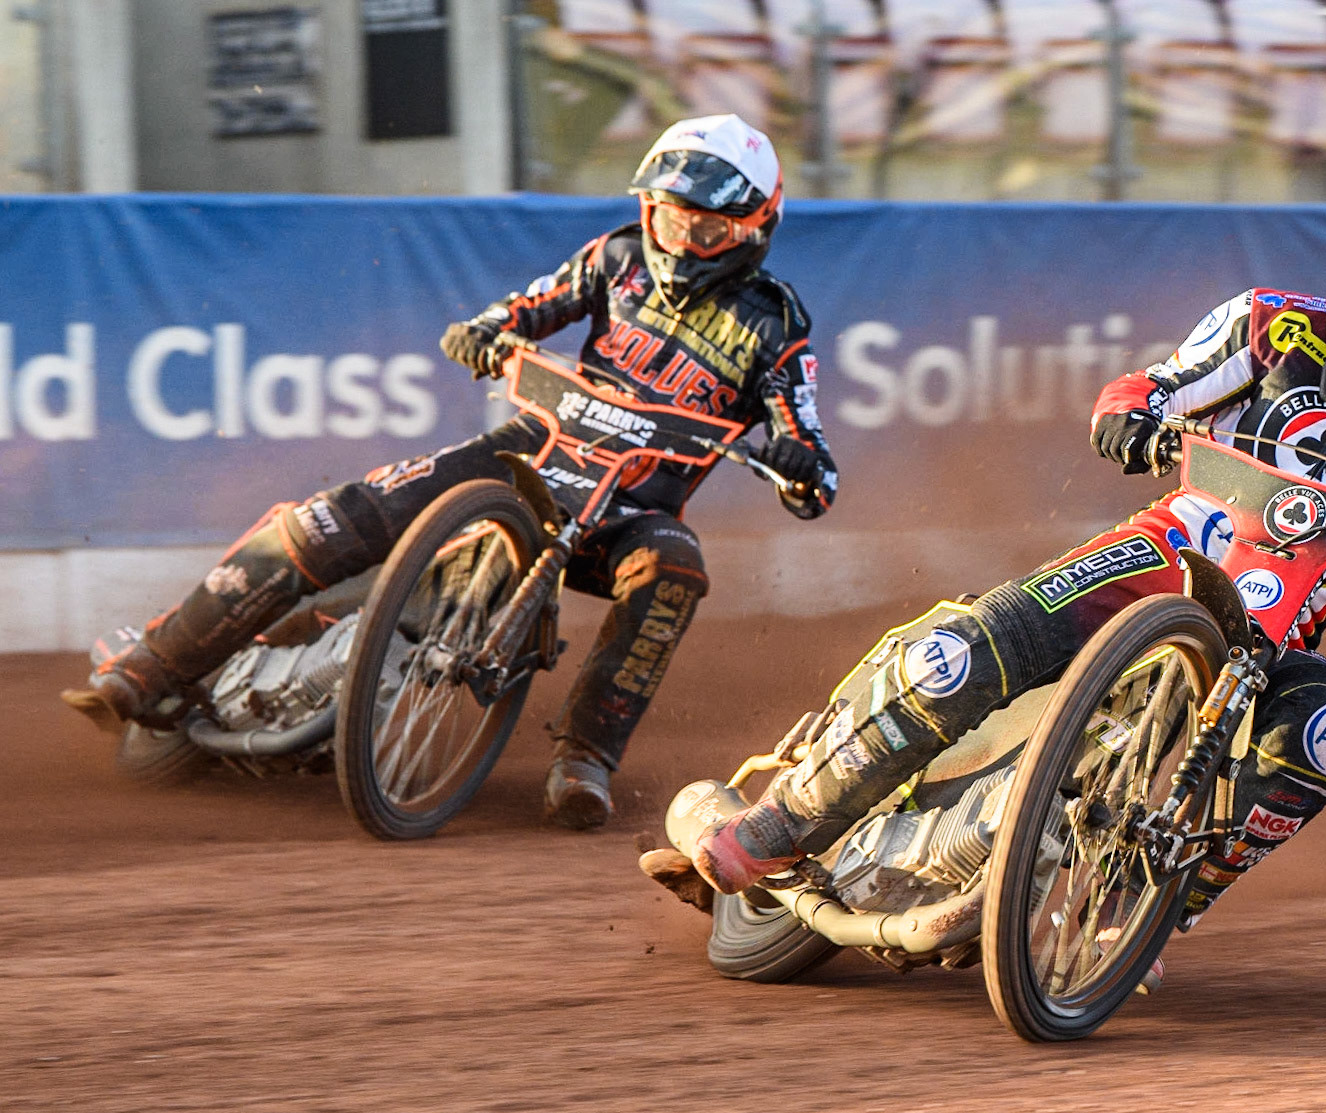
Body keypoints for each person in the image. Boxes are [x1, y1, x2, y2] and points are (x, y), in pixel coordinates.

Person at [685, 160, 1326, 933]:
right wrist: (1133, 418)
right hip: (1160, 552)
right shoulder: (1266, 323)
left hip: (1277, 640)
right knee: (954, 659)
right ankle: (778, 825)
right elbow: (1152, 387)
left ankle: (1152, 906)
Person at [63, 114, 838, 831]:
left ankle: (585, 757)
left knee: (676, 563)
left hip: (628, 510)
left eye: (704, 225)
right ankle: (153, 663)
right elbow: (527, 308)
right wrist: (485, 330)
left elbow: (812, 462)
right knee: (331, 518)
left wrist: (796, 461)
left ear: (752, 226)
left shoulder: (775, 322)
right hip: (526, 453)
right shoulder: (616, 259)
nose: (682, 238)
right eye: (669, 216)